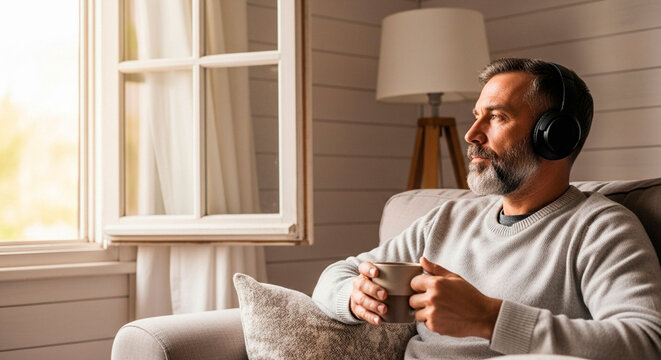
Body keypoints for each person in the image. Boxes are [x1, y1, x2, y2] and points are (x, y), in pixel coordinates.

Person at [311, 58, 661, 359]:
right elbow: (338, 274)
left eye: (497, 117)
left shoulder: (600, 228)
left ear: (554, 136)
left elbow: (645, 342)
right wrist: (356, 296)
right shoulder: (447, 219)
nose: (472, 134)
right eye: (476, 116)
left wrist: (489, 318)